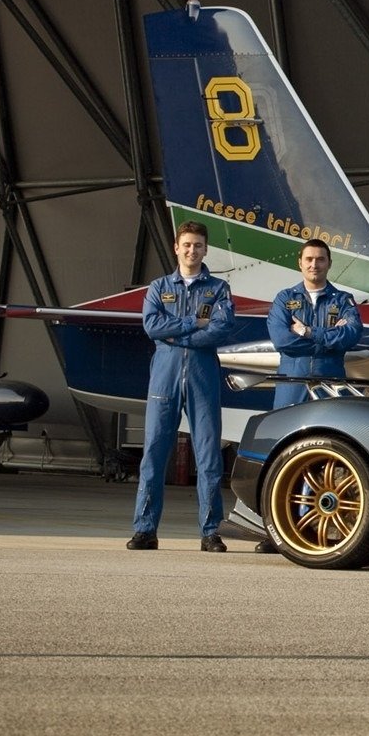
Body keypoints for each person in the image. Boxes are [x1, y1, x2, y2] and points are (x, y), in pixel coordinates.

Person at [128, 221, 235, 553]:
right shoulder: (158, 287)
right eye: (186, 244)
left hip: (203, 374)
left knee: (209, 456)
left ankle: (211, 532)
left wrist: (178, 336)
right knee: (154, 453)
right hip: (166, 374)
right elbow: (152, 326)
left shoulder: (218, 289)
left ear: (205, 249)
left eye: (198, 245)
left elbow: (221, 328)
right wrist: (191, 323)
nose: (192, 250)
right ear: (176, 248)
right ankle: (145, 530)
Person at [266, 239, 363, 410]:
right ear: (300, 263)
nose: (314, 265)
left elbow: (351, 335)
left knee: (330, 427)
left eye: (320, 259)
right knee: (287, 425)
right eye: (309, 259)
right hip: (292, 383)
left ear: (329, 263)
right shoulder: (285, 298)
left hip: (330, 383)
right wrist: (330, 340)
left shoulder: (343, 300)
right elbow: (281, 340)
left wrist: (309, 332)